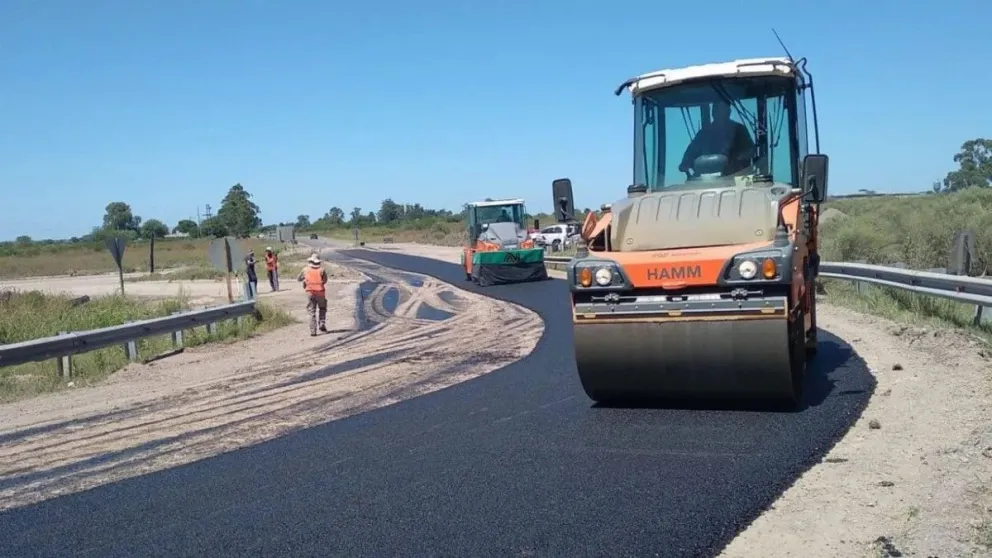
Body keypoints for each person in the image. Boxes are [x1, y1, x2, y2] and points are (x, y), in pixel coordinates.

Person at [679, 100, 755, 177]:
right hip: (706, 181)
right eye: (716, 110)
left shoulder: (739, 130)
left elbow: (750, 151)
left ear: (729, 112)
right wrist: (686, 164)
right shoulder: (703, 134)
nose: (719, 113)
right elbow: (688, 158)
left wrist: (735, 161)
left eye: (723, 110)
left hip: (736, 178)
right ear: (713, 113)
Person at [297, 253, 328, 336]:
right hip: (320, 292)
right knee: (322, 308)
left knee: (312, 311)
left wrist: (305, 279)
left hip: (310, 292)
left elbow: (298, 279)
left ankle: (313, 330)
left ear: (310, 261)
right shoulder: (322, 270)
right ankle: (322, 322)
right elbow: (325, 280)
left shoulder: (305, 269)